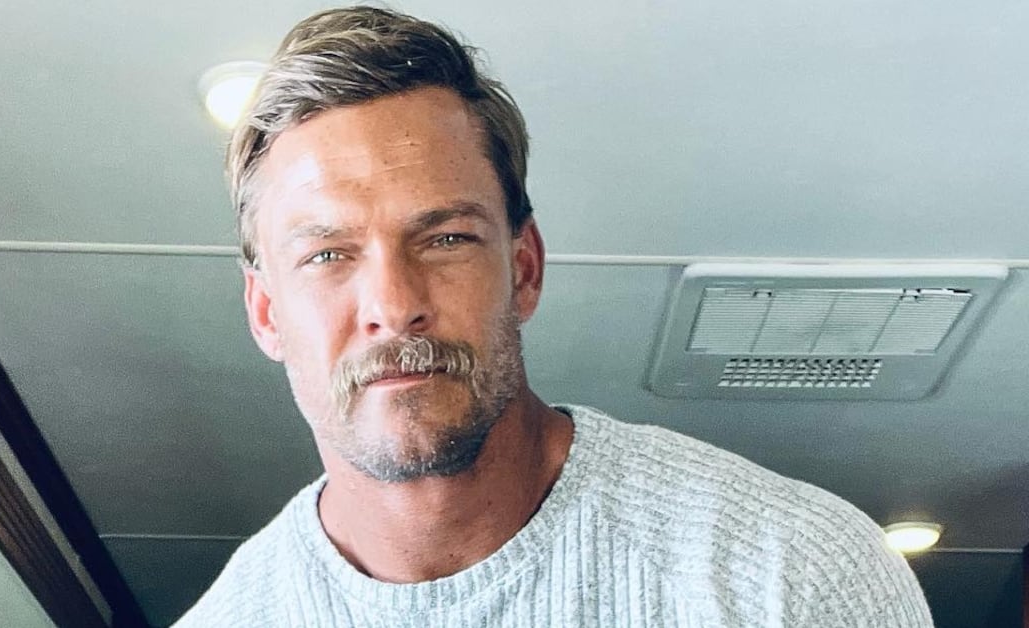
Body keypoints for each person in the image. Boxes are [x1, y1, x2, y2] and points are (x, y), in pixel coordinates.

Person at [175, 6, 933, 626]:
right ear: (266, 312)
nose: (394, 307)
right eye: (327, 255)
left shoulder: (793, 574)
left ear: (524, 269)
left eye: (445, 239)